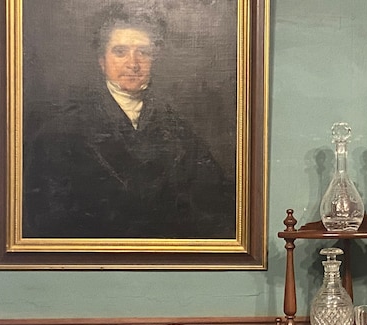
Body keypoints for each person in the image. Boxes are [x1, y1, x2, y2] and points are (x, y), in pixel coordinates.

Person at [23, 3, 235, 239]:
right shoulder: (60, 134)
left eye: (143, 52)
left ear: (154, 58)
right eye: (120, 51)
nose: (133, 64)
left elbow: (216, 211)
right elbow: (46, 223)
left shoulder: (179, 132)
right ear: (102, 61)